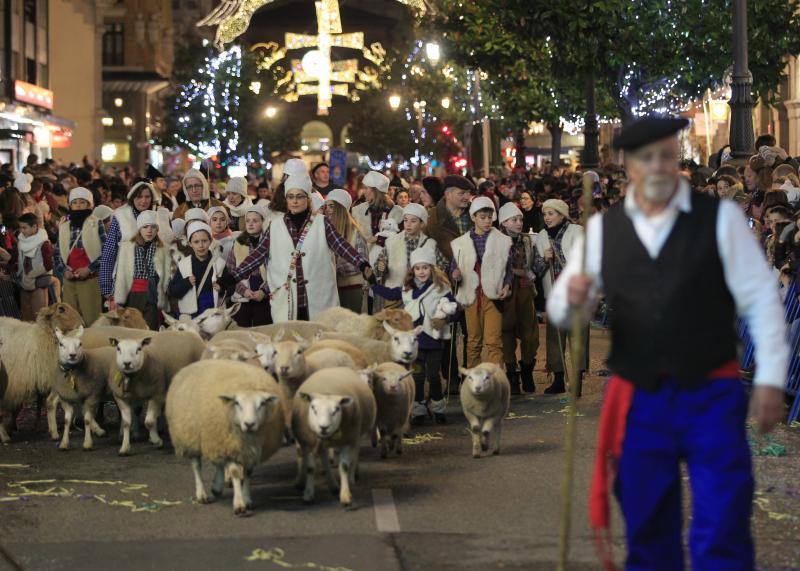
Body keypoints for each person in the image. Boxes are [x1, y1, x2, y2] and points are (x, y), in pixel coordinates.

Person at [548, 115, 788, 570]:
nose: (657, 167)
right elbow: (561, 306)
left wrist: (772, 378)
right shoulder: (604, 230)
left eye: (665, 156)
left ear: (676, 159)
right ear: (628, 167)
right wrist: (574, 300)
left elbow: (760, 299)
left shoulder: (720, 220)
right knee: (647, 521)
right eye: (645, 159)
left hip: (710, 392)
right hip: (640, 398)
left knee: (722, 517)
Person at [225, 175, 373, 322]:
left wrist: (362, 264)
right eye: (290, 197)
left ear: (307, 199)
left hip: (318, 299)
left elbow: (342, 246)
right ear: (286, 199)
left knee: (319, 340)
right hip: (288, 302)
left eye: (299, 196)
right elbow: (257, 256)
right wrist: (233, 277)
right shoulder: (275, 226)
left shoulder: (322, 223)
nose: (294, 201)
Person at [372, 248, 456, 425]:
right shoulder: (407, 290)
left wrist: (445, 319)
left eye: (425, 268)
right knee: (417, 376)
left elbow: (454, 309)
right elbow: (390, 293)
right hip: (414, 341)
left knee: (433, 375)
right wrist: (373, 284)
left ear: (432, 268)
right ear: (413, 271)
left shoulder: (441, 289)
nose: (422, 272)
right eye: (418, 268)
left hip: (433, 339)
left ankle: (438, 407)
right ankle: (418, 409)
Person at [450, 197, 513, 367]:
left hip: (493, 296)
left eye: (489, 217)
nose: (487, 221)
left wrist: (507, 286)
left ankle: (496, 380)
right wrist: (456, 274)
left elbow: (508, 269)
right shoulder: (461, 243)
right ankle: (473, 378)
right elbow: (454, 267)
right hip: (472, 296)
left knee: (493, 341)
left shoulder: (502, 240)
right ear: (473, 217)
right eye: (482, 217)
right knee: (473, 341)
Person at [535, 197, 584, 394]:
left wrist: (558, 254)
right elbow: (536, 269)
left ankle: (578, 378)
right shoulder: (541, 236)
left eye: (551, 213)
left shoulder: (577, 232)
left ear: (562, 215)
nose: (547, 218)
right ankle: (558, 378)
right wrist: (544, 259)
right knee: (555, 338)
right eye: (545, 214)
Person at [498, 202, 547, 394]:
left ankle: (527, 369)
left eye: (520, 219)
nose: (519, 223)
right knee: (506, 333)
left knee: (530, 335)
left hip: (526, 291)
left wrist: (545, 258)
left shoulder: (528, 240)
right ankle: (512, 374)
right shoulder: (497, 240)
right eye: (514, 220)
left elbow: (535, 267)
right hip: (506, 291)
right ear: (504, 222)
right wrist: (516, 272)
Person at [99, 180, 166, 305]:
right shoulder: (121, 218)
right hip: (125, 283)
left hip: (155, 286)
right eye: (139, 196)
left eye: (147, 196)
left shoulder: (160, 216)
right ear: (132, 197)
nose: (143, 201)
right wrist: (106, 287)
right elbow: (109, 253)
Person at [374, 203, 447, 309]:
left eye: (413, 221)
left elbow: (443, 266)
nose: (408, 224)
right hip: (395, 298)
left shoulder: (430, 244)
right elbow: (378, 267)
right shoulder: (391, 242)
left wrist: (430, 276)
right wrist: (381, 267)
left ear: (422, 224)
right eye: (405, 220)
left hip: (421, 298)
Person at [54, 187, 106, 326]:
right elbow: (57, 253)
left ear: (89, 204)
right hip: (69, 279)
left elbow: (106, 251)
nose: (78, 205)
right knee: (69, 320)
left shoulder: (96, 222)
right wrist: (64, 271)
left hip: (90, 279)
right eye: (74, 202)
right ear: (70, 205)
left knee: (92, 319)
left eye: (82, 202)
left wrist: (89, 269)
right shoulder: (64, 225)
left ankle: (94, 346)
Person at [113, 210, 171, 329]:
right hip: (133, 294)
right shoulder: (128, 247)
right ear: (139, 228)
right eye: (145, 227)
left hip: (153, 294)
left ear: (157, 229)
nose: (149, 230)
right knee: (133, 328)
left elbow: (167, 274)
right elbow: (120, 273)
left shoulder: (163, 249)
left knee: (150, 328)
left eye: (153, 227)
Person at [323, 189, 369, 314]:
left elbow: (362, 263)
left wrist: (336, 266)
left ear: (340, 208)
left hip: (352, 288)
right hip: (333, 288)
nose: (327, 210)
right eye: (326, 206)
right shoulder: (327, 231)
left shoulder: (355, 232)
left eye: (331, 206)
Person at [168, 222, 226, 318]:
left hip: (213, 316)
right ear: (190, 243)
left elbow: (231, 287)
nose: (201, 245)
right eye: (196, 242)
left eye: (204, 241)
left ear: (210, 241)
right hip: (191, 316)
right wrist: (186, 282)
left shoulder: (219, 263)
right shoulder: (184, 264)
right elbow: (173, 291)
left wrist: (222, 287)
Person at [227, 204, 271, 327]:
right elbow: (230, 270)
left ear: (264, 222)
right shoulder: (238, 243)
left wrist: (264, 291)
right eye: (248, 221)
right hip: (243, 293)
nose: (250, 224)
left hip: (264, 293)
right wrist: (243, 290)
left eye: (255, 221)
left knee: (262, 326)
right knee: (241, 326)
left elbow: (277, 271)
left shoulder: (270, 243)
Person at [351, 171, 404, 253]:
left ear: (376, 191)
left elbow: (401, 238)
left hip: (388, 259)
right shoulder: (358, 211)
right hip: (364, 260)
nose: (363, 191)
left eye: (366, 188)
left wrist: (378, 239)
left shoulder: (397, 212)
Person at [16, 212, 53, 321]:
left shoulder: (44, 243)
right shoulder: (21, 241)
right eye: (20, 227)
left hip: (39, 281)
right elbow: (17, 259)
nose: (22, 231)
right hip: (24, 281)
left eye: (24, 227)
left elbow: (48, 265)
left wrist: (31, 274)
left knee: (39, 317)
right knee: (26, 316)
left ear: (34, 227)